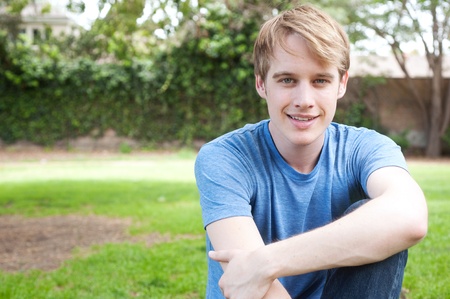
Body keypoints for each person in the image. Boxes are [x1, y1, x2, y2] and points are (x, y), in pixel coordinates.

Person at [194, 4, 428, 299]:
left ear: (341, 84)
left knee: (378, 219)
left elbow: (410, 216)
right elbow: (249, 286)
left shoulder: (367, 148)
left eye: (320, 80)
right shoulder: (224, 158)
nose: (304, 100)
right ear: (261, 83)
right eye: (287, 80)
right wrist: (257, 270)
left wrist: (266, 262)